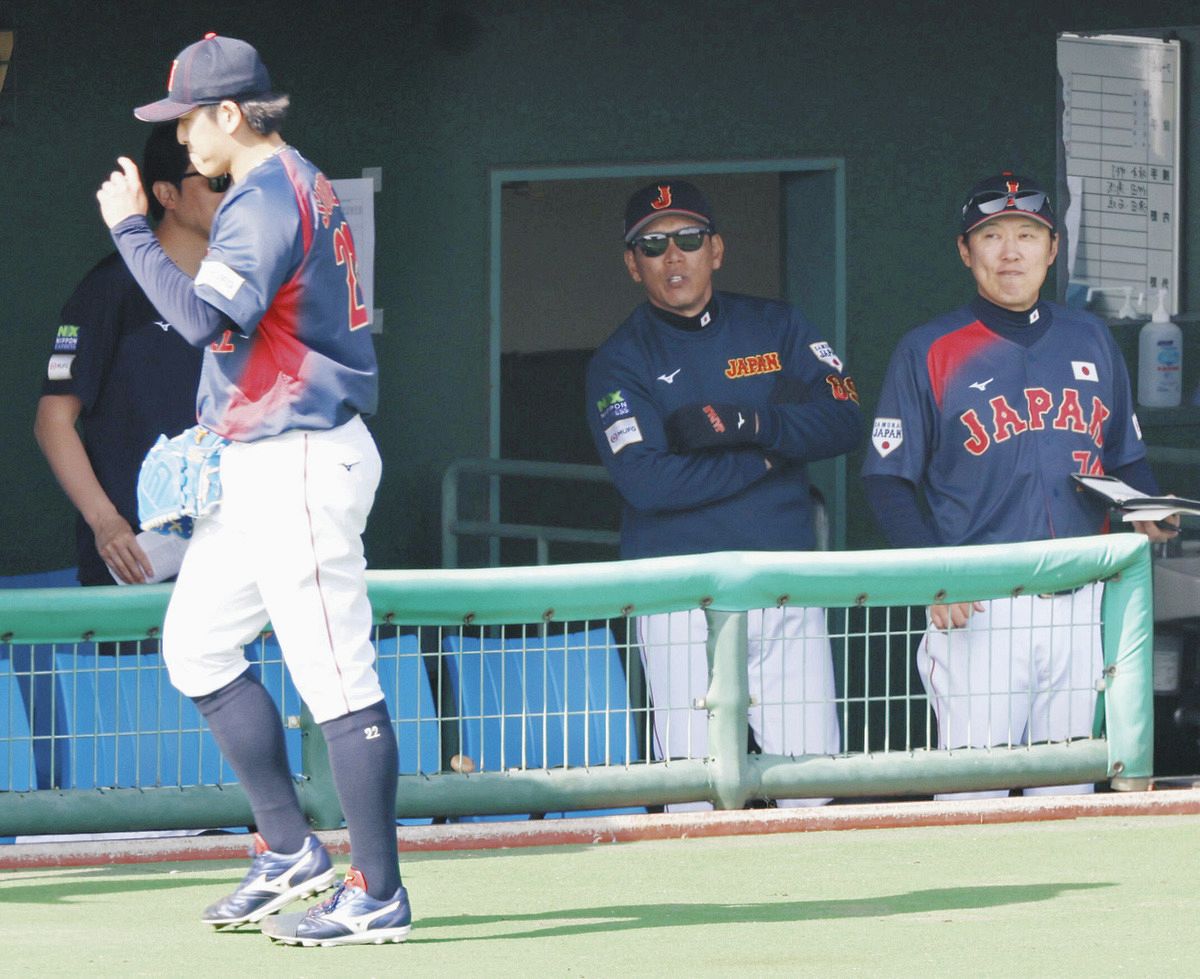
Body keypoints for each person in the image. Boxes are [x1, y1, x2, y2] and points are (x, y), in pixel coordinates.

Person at [95, 34, 409, 946]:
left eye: (189, 117)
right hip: (264, 451)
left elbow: (200, 316)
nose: (181, 136)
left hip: (303, 456)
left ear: (231, 113)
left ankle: (377, 889)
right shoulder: (281, 186)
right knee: (196, 645)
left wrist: (125, 229)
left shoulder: (268, 195)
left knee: (338, 679)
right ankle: (288, 848)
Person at [862, 170, 1178, 799]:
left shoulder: (1090, 337)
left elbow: (1124, 457)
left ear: (1052, 248)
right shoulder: (929, 348)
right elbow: (886, 481)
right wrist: (935, 573)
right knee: (972, 792)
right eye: (992, 236)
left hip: (1079, 598)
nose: (1011, 252)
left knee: (1066, 791)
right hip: (980, 605)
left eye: (1027, 234)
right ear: (965, 251)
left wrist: (1151, 508)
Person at [585, 180, 862, 811]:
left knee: (811, 780)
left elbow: (844, 418)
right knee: (693, 785)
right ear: (633, 265)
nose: (673, 256)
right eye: (653, 245)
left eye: (688, 239)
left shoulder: (777, 325)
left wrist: (753, 423)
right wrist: (770, 454)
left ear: (717, 250)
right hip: (679, 595)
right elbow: (647, 482)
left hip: (782, 582)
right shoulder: (620, 360)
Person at [35, 123, 220, 586]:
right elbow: (52, 421)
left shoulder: (242, 284)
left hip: (229, 550)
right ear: (167, 194)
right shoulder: (109, 288)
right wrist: (105, 522)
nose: (234, 193)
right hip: (139, 558)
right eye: (217, 181)